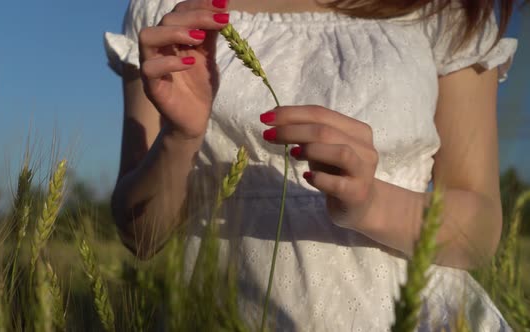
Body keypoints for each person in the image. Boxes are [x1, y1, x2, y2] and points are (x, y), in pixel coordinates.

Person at [104, 0, 518, 330]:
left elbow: (480, 230)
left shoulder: (446, 11)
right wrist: (180, 139)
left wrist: (371, 202)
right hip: (219, 314)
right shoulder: (169, 9)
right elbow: (141, 234)